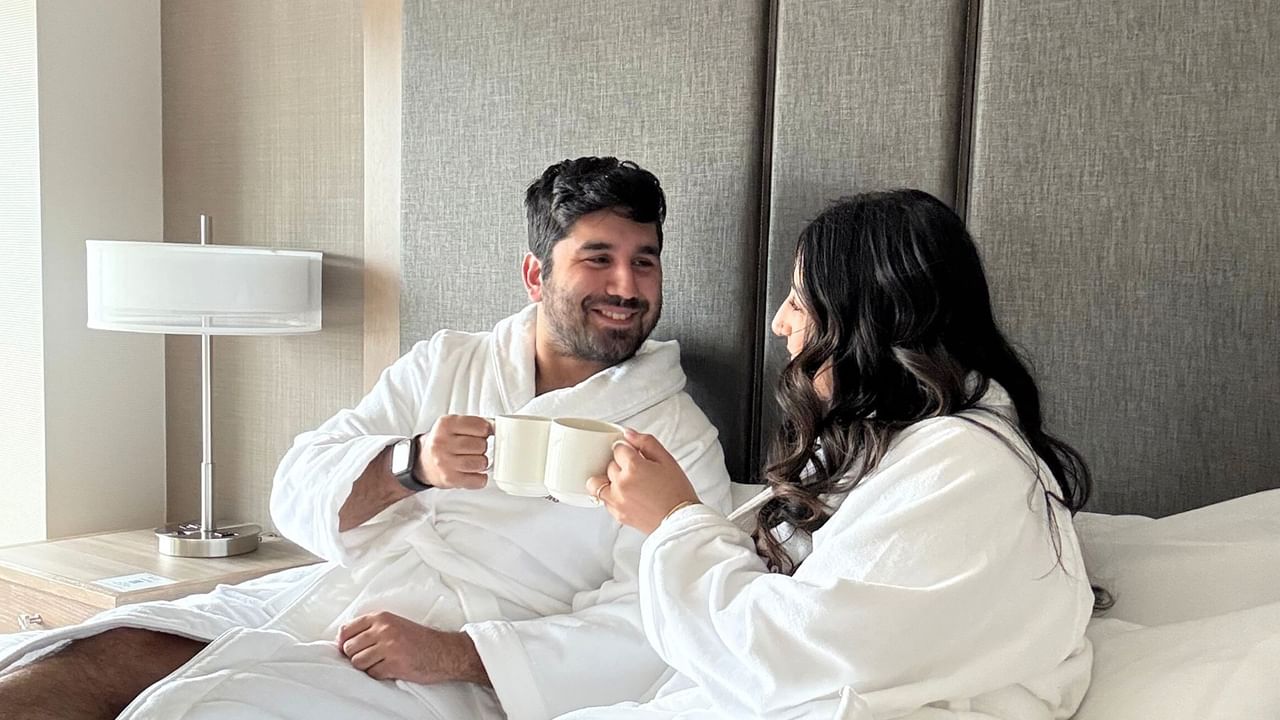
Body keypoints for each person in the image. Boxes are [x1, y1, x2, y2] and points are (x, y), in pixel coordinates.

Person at [0, 157, 732, 720]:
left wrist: (456, 652)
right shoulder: (448, 362)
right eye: (598, 257)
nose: (628, 287)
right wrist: (409, 463)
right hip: (337, 594)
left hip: (467, 664)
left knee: (217, 706)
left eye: (645, 260)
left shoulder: (674, 436)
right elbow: (300, 480)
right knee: (95, 654)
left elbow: (658, 621)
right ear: (536, 274)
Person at [567, 189, 1096, 720]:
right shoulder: (893, 443)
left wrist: (675, 520)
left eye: (798, 300)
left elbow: (792, 653)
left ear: (867, 319)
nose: (779, 322)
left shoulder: (966, 464)